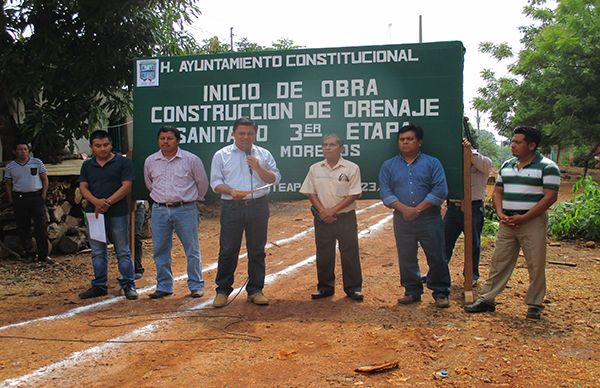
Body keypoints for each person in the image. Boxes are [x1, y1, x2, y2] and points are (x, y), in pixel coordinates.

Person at [465, 126, 559, 320]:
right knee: (499, 261)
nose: (512, 145)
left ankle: (535, 303)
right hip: (507, 221)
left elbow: (550, 197)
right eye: (512, 141)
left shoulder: (547, 167)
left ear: (531, 145)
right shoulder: (507, 165)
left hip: (532, 222)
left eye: (518, 142)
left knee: (535, 263)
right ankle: (487, 299)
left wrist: (525, 217)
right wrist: (500, 213)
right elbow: (497, 192)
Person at [210, 117, 281, 307]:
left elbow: (274, 179)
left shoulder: (264, 154)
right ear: (233, 134)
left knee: (257, 250)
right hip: (232, 207)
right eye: (241, 133)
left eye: (250, 133)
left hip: (258, 206)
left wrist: (258, 167)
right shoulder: (221, 155)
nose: (245, 137)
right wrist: (231, 191)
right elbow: (215, 183)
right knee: (228, 250)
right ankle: (222, 290)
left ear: (255, 134)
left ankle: (255, 290)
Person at [378, 124, 451, 308]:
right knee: (406, 255)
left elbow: (440, 190)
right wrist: (404, 209)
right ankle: (412, 291)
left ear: (419, 141)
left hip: (429, 217)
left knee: (436, 255)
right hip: (402, 218)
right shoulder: (388, 165)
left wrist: (417, 209)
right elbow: (386, 192)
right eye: (402, 139)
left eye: (410, 139)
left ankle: (441, 292)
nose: (405, 142)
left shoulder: (433, 163)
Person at [144, 126, 209, 299]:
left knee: (192, 249)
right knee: (160, 250)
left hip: (185, 209)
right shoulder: (150, 161)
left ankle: (196, 286)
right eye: (162, 138)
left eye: (170, 138)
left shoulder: (191, 160)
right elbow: (149, 184)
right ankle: (164, 286)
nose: (165, 142)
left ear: (178, 140)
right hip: (159, 210)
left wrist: (194, 198)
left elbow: (202, 182)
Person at [300, 134, 364, 301]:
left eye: (332, 145)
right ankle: (325, 288)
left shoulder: (352, 168)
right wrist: (323, 211)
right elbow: (310, 192)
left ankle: (353, 288)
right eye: (325, 145)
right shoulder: (315, 168)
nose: (327, 148)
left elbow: (354, 194)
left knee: (350, 252)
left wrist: (333, 210)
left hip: (345, 218)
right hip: (322, 219)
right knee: (324, 253)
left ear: (341, 148)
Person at [78, 130, 138, 300]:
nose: (102, 149)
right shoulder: (87, 165)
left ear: (111, 145)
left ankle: (128, 285)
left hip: (118, 212)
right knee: (97, 251)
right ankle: (99, 285)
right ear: (91, 147)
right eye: (98, 146)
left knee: (123, 250)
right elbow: (83, 187)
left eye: (106, 145)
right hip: (94, 213)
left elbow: (126, 186)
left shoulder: (123, 163)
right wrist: (97, 202)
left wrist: (107, 202)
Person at [444, 139, 492, 285]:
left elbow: (483, 165)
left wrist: (469, 151)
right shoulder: (454, 166)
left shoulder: (483, 163)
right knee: (444, 242)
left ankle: (471, 275)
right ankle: (438, 273)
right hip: (453, 208)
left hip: (474, 208)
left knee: (473, 244)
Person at [4, 141, 51, 263]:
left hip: (36, 197)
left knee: (40, 226)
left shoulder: (37, 162)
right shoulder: (10, 166)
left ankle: (43, 254)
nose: (23, 151)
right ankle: (29, 252)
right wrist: (10, 198)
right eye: (20, 149)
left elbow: (45, 179)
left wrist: (43, 195)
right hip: (20, 198)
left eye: (25, 149)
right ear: (14, 151)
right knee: (23, 226)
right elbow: (8, 184)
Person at [133, 200, 146, 279]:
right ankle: (125, 270)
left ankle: (137, 268)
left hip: (138, 207)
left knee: (136, 236)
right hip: (121, 207)